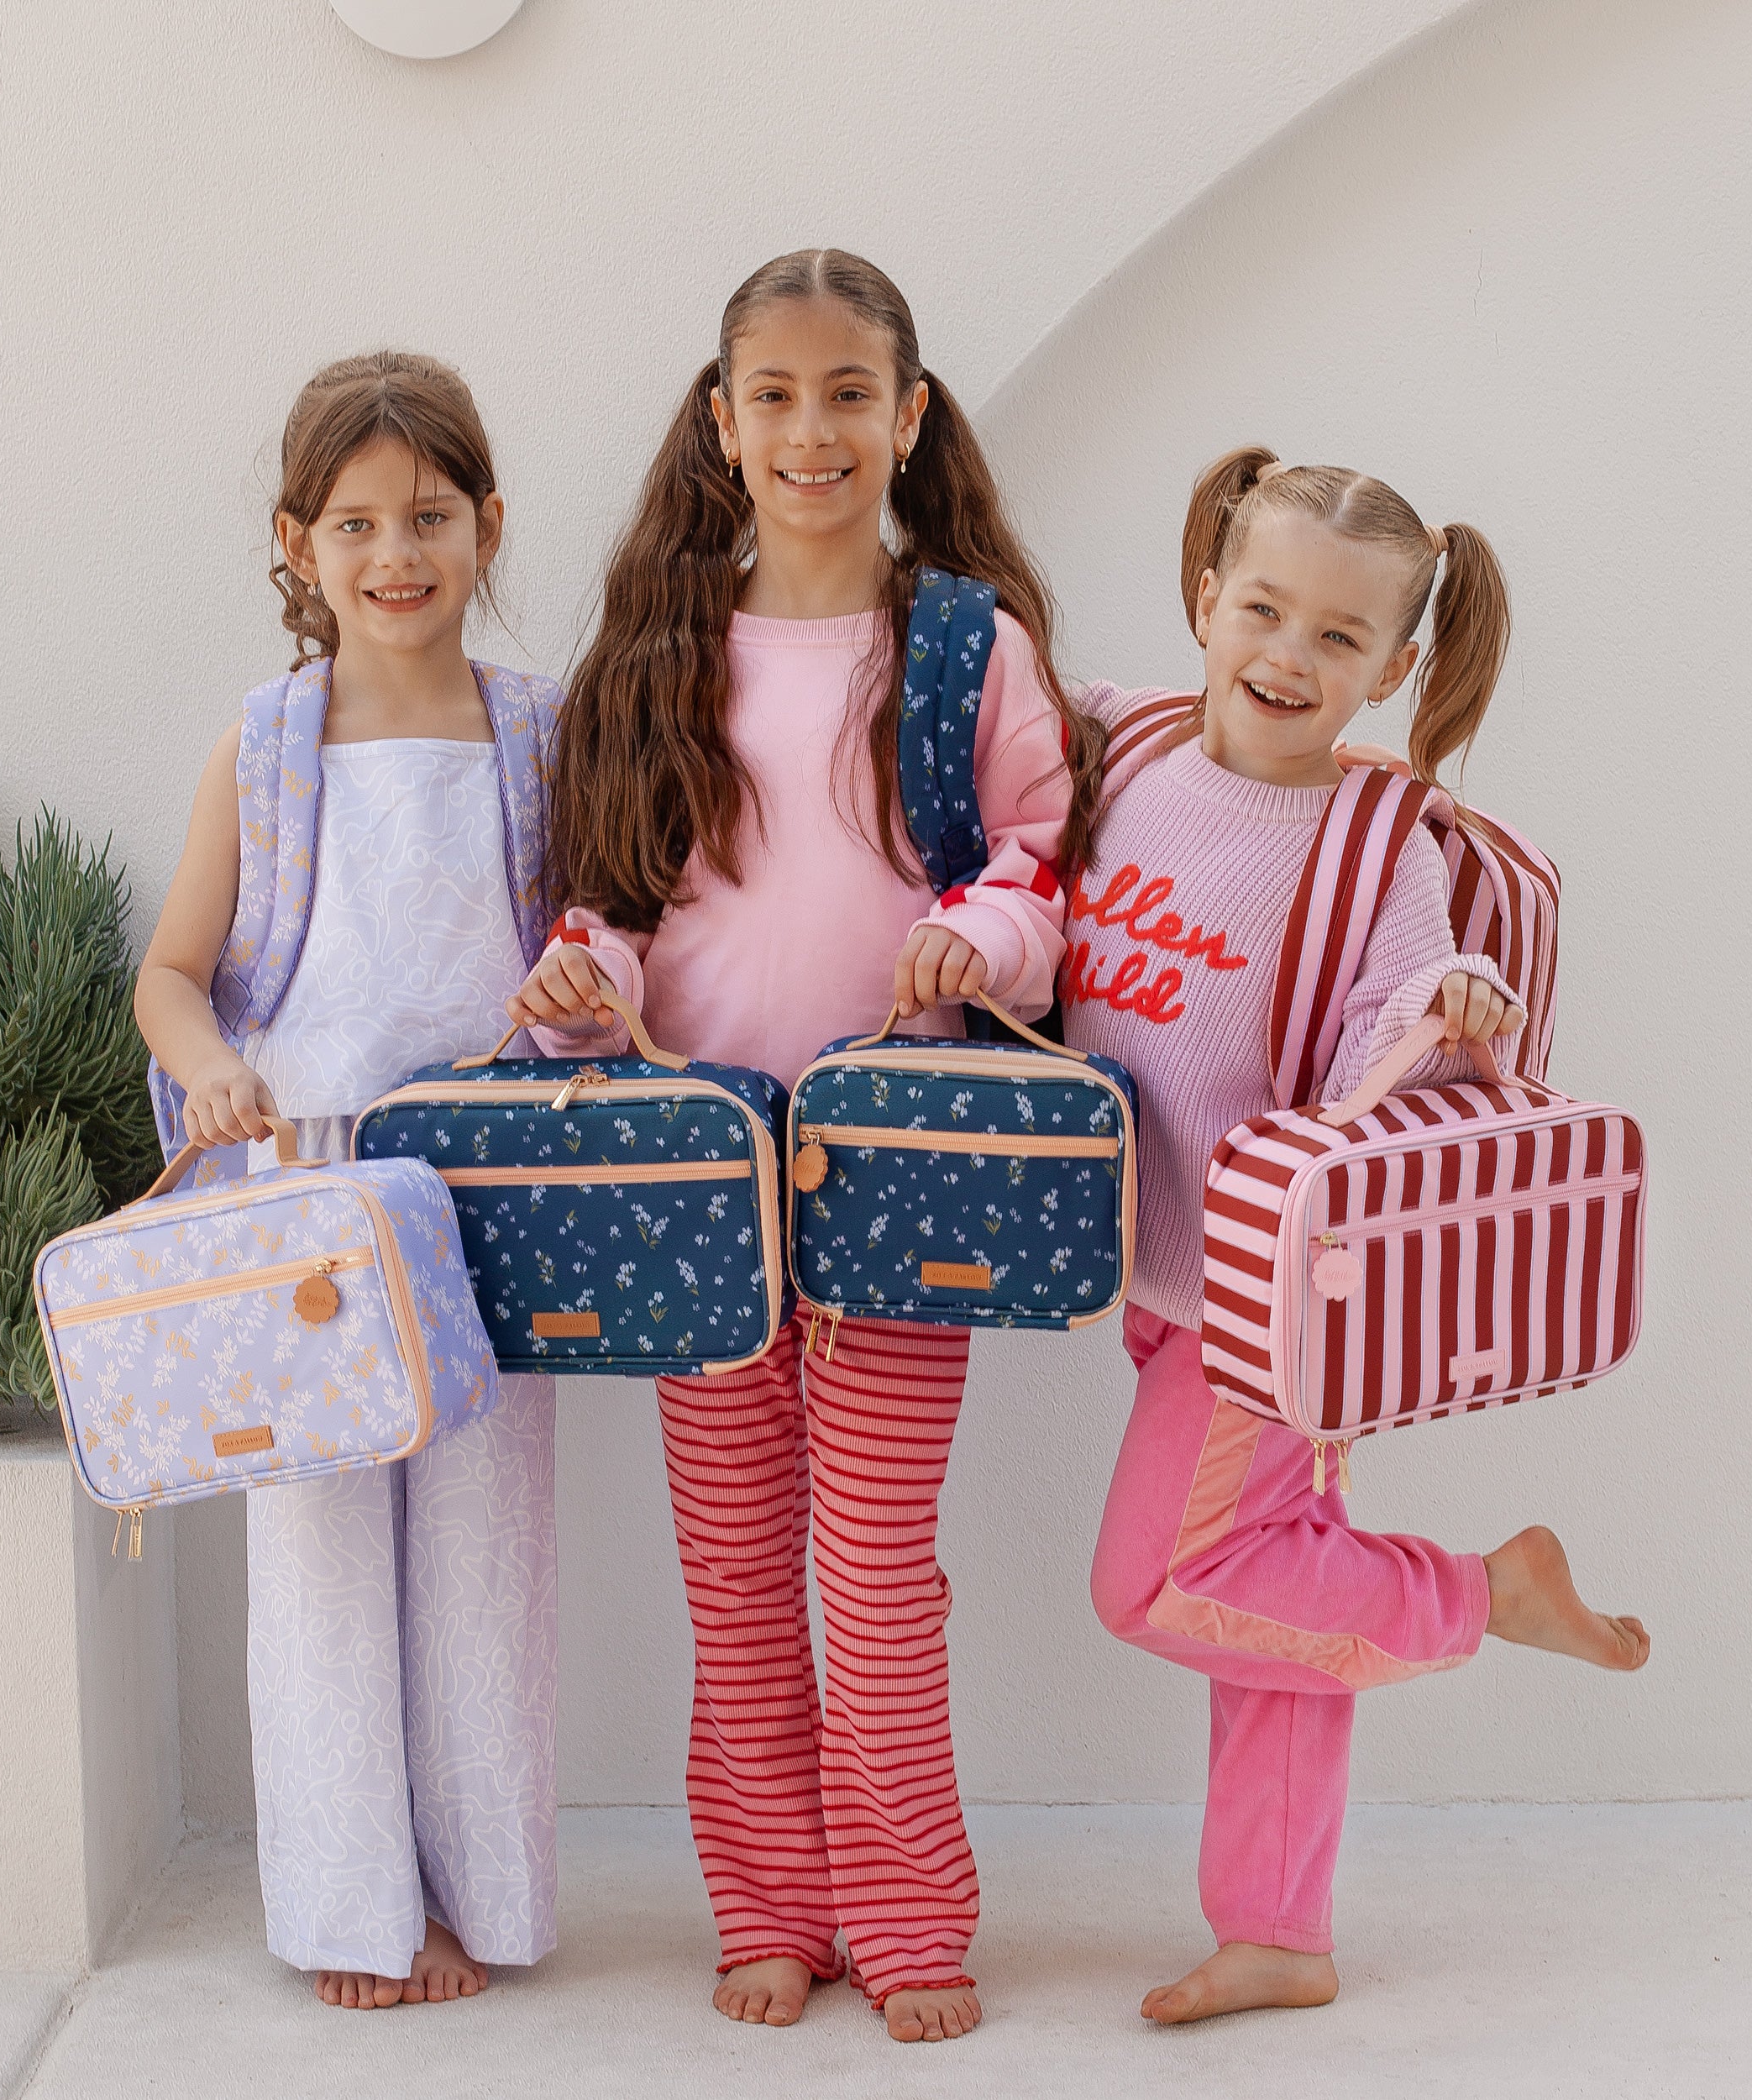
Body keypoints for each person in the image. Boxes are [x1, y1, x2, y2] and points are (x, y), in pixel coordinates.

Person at [503, 249, 1103, 2044]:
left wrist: (982, 946)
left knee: (869, 1558)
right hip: (702, 1187)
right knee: (739, 1573)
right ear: (719, 420)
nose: (811, 429)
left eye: (848, 393)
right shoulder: (662, 654)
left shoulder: (965, 645)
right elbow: (614, 896)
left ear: (907, 416)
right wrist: (580, 978)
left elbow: (1038, 862)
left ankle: (908, 1910)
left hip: (896, 1178)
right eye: (773, 395)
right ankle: (767, 1900)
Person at [1070, 447, 1650, 2025]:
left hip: (1271, 1299)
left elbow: (1406, 1003)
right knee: (1267, 1578)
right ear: (1204, 598)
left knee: (1162, 1582)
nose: (1286, 656)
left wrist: (1450, 1003)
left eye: (1339, 638)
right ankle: (1278, 1932)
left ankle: (1481, 1596)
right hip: (1152, 1264)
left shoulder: (1374, 842)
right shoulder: (1124, 754)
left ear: (1395, 667)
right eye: (1262, 608)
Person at [134, 352, 559, 2010]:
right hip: (305, 1194)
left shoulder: (535, 731)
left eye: (432, 514)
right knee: (317, 1561)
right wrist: (214, 1063)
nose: (400, 550)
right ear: (298, 542)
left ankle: (481, 1892)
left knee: (485, 1558)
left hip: (482, 1200)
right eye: (360, 519)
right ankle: (348, 1904)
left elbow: (590, 937)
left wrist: (583, 998)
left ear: (486, 524)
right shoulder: (264, 747)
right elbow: (172, 970)